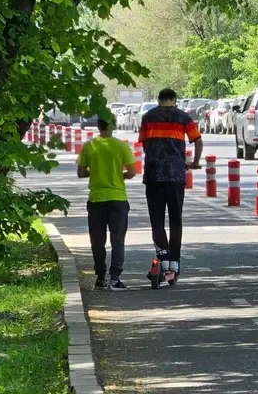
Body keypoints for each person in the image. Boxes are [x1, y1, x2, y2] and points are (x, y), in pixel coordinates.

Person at [139, 88, 203, 273]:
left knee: (156, 219)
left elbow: (143, 142)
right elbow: (197, 141)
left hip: (153, 175)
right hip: (175, 175)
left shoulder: (148, 117)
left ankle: (163, 256)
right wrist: (195, 162)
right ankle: (174, 261)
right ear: (174, 100)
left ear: (159, 100)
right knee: (176, 219)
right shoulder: (183, 117)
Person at [77, 117, 137, 291]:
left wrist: (96, 173)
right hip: (117, 198)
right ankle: (115, 278)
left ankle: (101, 277)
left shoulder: (89, 146)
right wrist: (119, 175)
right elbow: (132, 172)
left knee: (97, 240)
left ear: (98, 126)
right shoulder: (121, 146)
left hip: (96, 199)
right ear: (113, 125)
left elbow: (81, 172)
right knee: (117, 239)